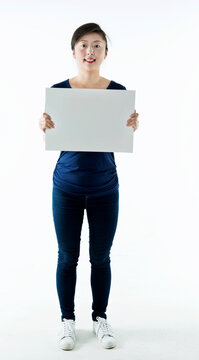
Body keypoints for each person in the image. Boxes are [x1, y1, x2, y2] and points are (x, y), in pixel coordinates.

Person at [39, 22, 139, 351]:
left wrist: (131, 125)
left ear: (105, 53)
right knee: (67, 256)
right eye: (83, 45)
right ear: (74, 52)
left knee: (101, 257)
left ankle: (100, 318)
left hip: (105, 187)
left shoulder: (117, 93)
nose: (90, 51)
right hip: (66, 185)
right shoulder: (59, 92)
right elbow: (54, 133)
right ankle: (68, 321)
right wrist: (43, 124)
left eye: (97, 45)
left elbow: (118, 135)